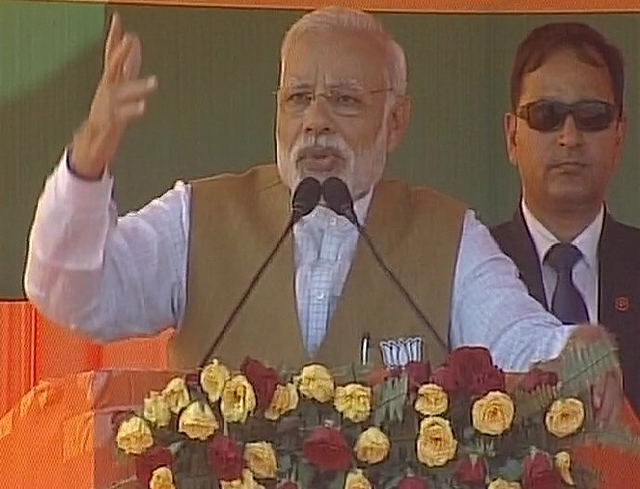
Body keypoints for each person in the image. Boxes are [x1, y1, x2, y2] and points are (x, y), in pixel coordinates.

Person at [24, 7, 620, 425]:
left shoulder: (447, 234)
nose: (315, 121)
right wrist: (88, 159)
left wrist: (577, 348)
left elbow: (515, 338)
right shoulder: (197, 216)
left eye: (345, 100)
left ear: (396, 121)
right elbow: (72, 293)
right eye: (298, 98)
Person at [490, 22, 639, 417]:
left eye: (591, 116)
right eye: (546, 114)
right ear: (511, 137)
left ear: (619, 135)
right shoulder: (471, 270)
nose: (569, 137)